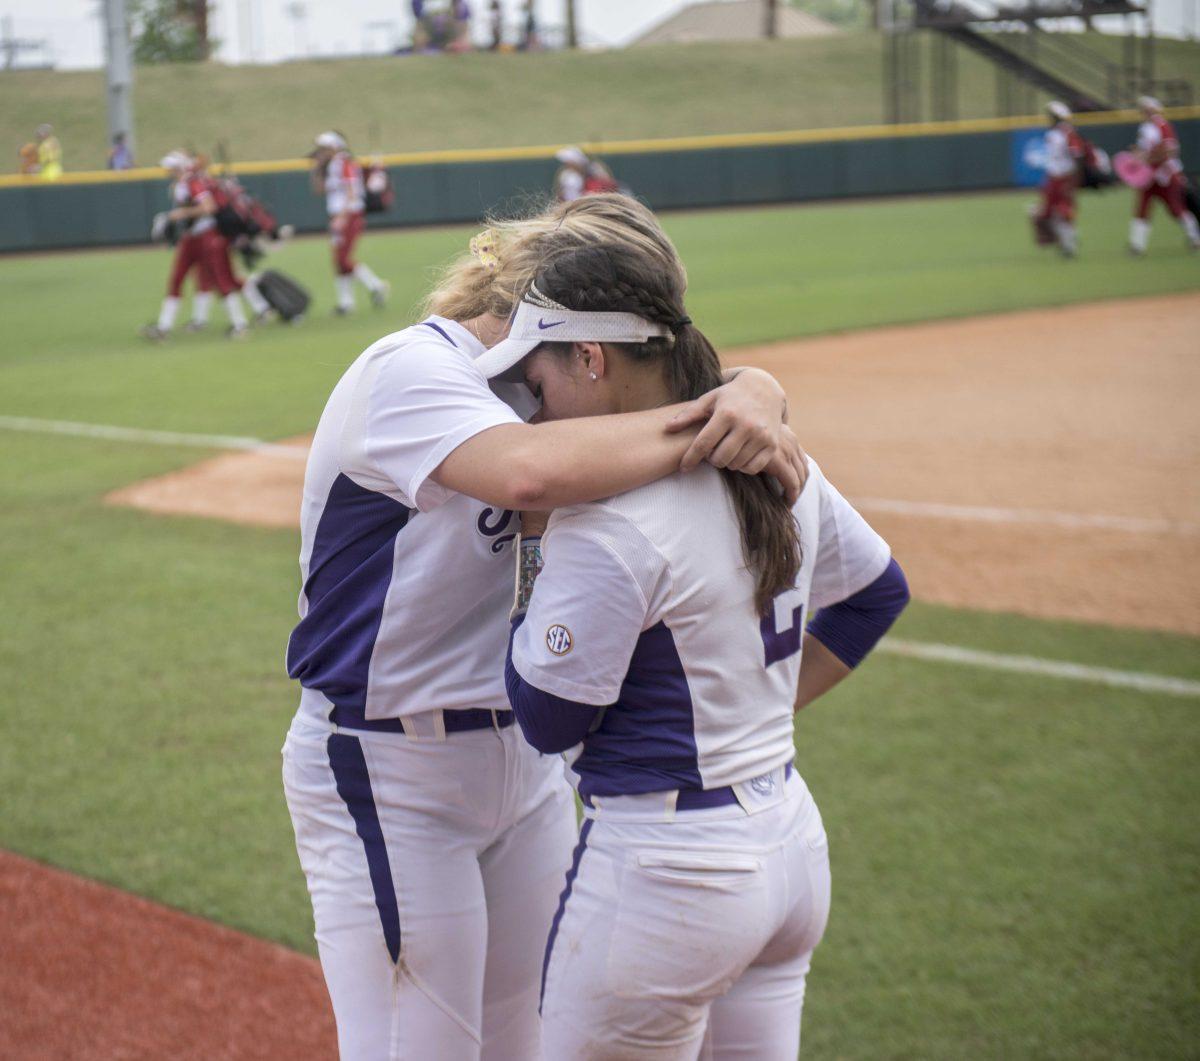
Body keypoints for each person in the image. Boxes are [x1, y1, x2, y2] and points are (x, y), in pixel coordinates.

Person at [281, 193, 809, 1060]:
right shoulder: (412, 369)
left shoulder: (566, 379)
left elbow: (655, 389)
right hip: (387, 762)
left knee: (524, 1042)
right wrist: (724, 413)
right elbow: (526, 475)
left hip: (525, 759)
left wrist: (753, 386)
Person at [494, 243, 909, 1059]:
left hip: (669, 874)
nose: (530, 417)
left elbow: (546, 716)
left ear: (591, 358)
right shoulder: (777, 460)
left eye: (535, 387)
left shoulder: (607, 520)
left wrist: (533, 549)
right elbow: (875, 595)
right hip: (789, 839)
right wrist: (753, 703)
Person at [142, 151, 266, 341]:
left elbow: (209, 207)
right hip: (191, 238)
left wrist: (181, 214)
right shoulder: (183, 184)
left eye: (171, 168)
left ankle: (240, 325)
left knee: (222, 280)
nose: (168, 172)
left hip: (209, 237)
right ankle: (164, 326)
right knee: (177, 279)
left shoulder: (193, 182)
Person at [309, 131, 389, 315]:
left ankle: (376, 285)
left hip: (349, 214)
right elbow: (319, 191)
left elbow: (352, 192)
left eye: (324, 148)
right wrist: (316, 169)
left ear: (334, 147)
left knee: (344, 259)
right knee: (338, 261)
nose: (320, 151)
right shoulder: (329, 166)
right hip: (337, 214)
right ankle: (346, 303)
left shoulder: (344, 162)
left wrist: (342, 218)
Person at [1128, 96, 1200, 255]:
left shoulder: (1161, 125)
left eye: (1146, 109)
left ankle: (1194, 237)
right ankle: (1137, 245)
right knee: (1142, 207)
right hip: (1149, 175)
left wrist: (1150, 158)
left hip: (1165, 174)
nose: (1143, 112)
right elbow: (1143, 152)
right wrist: (1137, 157)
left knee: (1175, 207)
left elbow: (1170, 150)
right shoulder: (1144, 128)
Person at [1033, 101, 1083, 257]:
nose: (1049, 118)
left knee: (1064, 210)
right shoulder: (1052, 133)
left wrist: (1073, 179)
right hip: (1053, 177)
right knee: (1048, 212)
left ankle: (1069, 245)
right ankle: (1066, 240)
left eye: (1052, 116)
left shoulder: (1067, 133)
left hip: (1065, 177)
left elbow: (1077, 154)